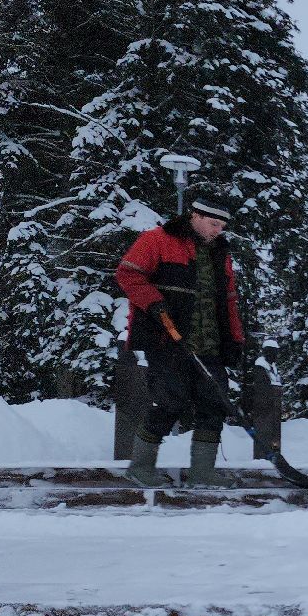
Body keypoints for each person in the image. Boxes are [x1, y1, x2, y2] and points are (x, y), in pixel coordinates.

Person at [114, 188, 246, 488]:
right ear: (195, 216)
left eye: (222, 226)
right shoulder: (157, 240)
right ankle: (140, 467)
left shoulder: (220, 253)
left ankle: (202, 474)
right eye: (213, 224)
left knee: (215, 403)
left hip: (209, 343)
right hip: (167, 339)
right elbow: (128, 275)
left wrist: (234, 339)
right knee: (169, 402)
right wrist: (154, 302)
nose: (218, 231)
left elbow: (228, 301)